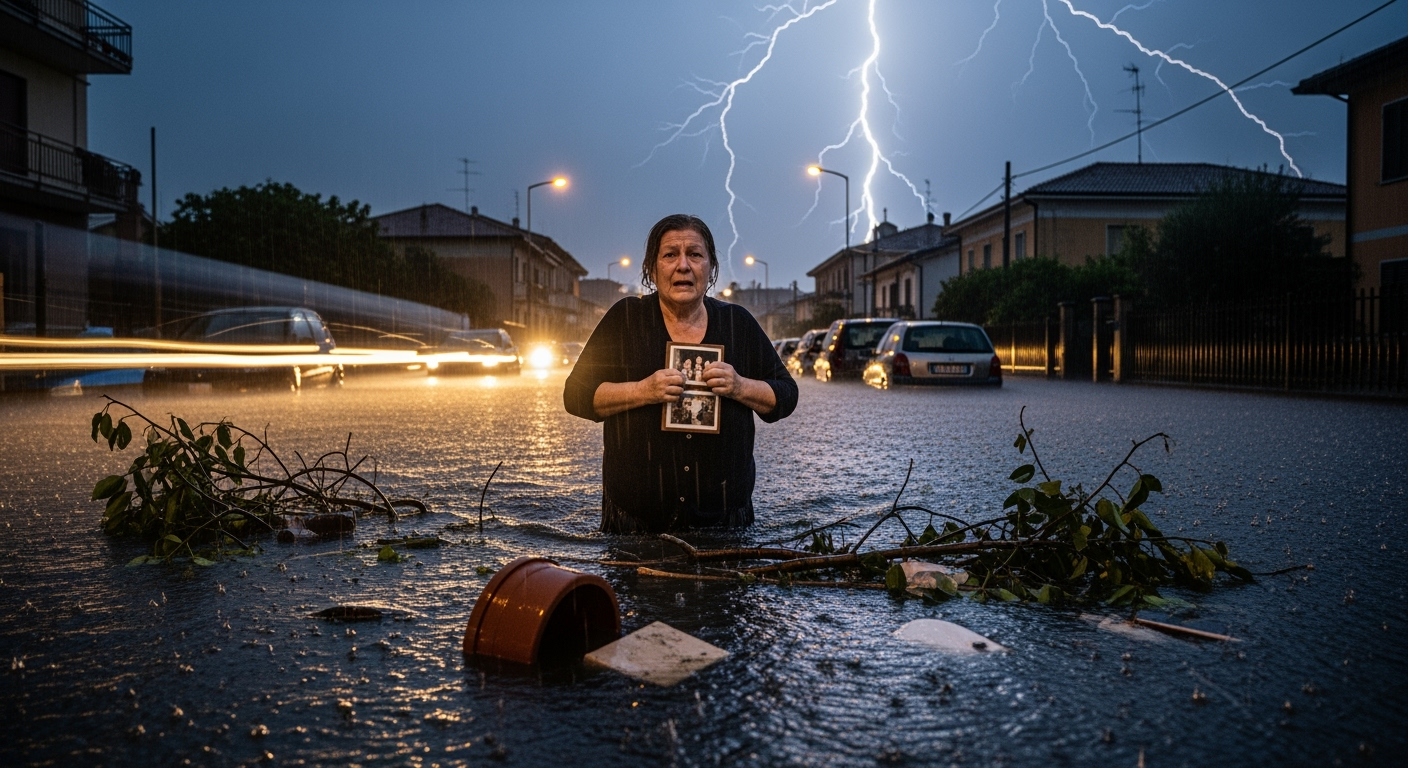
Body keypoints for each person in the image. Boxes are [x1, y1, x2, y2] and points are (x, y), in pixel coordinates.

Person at [564, 214, 798, 533]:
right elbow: (576, 395)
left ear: (711, 268)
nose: (683, 265)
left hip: (725, 521)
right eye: (670, 254)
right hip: (634, 523)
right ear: (651, 268)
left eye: (695, 254)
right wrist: (642, 391)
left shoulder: (738, 324)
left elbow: (786, 396)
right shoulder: (626, 320)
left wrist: (739, 386)